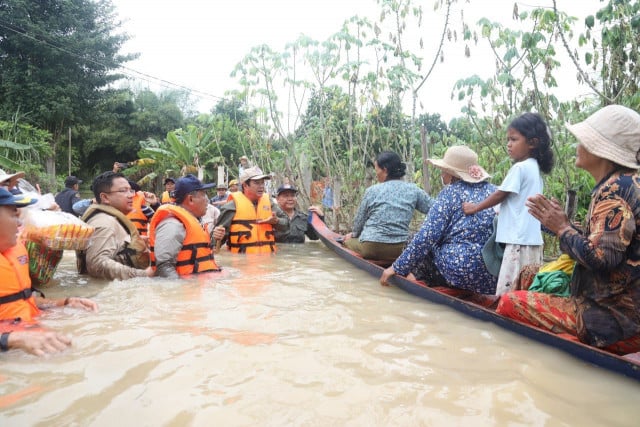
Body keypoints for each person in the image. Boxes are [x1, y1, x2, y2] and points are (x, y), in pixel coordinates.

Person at [496, 105, 640, 354]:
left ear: (601, 150)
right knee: (530, 273)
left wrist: (563, 229)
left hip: (614, 316)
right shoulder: (622, 184)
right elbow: (604, 244)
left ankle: (573, 351)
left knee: (510, 303)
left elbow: (602, 259)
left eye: (583, 141)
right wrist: (560, 226)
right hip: (616, 304)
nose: (577, 146)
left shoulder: (615, 192)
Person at [379, 146, 497, 293]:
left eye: (443, 171)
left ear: (452, 174)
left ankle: (418, 290)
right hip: (491, 274)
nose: (441, 174)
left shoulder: (450, 192)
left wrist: (396, 267)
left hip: (459, 270)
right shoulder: (494, 191)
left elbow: (426, 236)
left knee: (414, 239)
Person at [462, 112, 554, 295]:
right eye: (508, 140)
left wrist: (475, 207)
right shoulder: (534, 168)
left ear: (532, 143)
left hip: (517, 241)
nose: (508, 145)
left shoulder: (520, 168)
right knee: (526, 288)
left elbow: (501, 194)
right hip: (532, 241)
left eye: (514, 139)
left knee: (508, 290)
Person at [0, 187, 98, 356]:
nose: (20, 223)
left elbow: (21, 301)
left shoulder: (16, 251)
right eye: (13, 214)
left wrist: (64, 303)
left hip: (25, 337)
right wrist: (14, 339)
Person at [343, 151, 433, 263]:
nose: (376, 173)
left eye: (377, 169)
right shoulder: (414, 190)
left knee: (346, 242)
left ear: (385, 170)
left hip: (372, 247)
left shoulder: (371, 191)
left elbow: (359, 220)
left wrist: (353, 235)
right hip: (401, 250)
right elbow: (435, 210)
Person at [78, 171, 153, 280]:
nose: (131, 195)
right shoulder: (104, 222)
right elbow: (96, 264)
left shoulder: (108, 219)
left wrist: (133, 243)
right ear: (105, 198)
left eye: (131, 190)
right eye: (123, 191)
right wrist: (143, 275)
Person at [149, 175, 224, 278]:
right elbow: (164, 267)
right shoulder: (172, 225)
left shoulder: (195, 221)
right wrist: (185, 289)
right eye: (203, 195)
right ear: (191, 199)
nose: (207, 200)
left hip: (200, 284)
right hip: (188, 288)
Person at [216, 166, 288, 253]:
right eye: (257, 183)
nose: (261, 186)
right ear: (245, 185)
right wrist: (216, 237)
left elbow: (287, 225)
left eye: (262, 183)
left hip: (267, 262)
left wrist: (276, 221)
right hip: (241, 263)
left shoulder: (269, 203)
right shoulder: (231, 207)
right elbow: (216, 242)